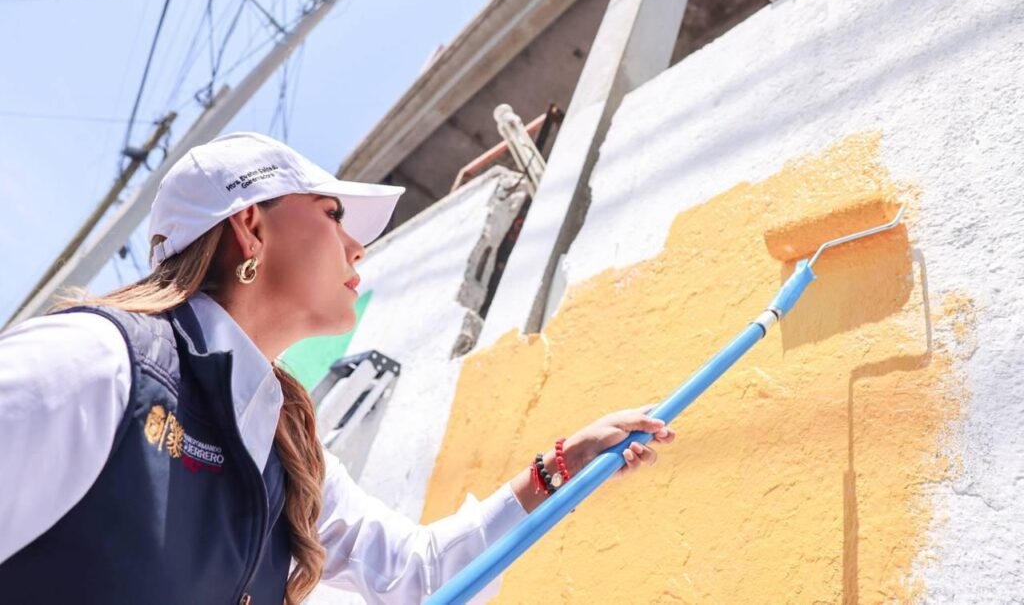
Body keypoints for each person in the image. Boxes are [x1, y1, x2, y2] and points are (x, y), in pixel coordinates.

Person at [0, 132, 675, 604]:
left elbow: (423, 574)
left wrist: (557, 469)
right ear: (251, 228)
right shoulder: (94, 366)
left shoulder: (287, 451)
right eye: (332, 215)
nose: (357, 247)